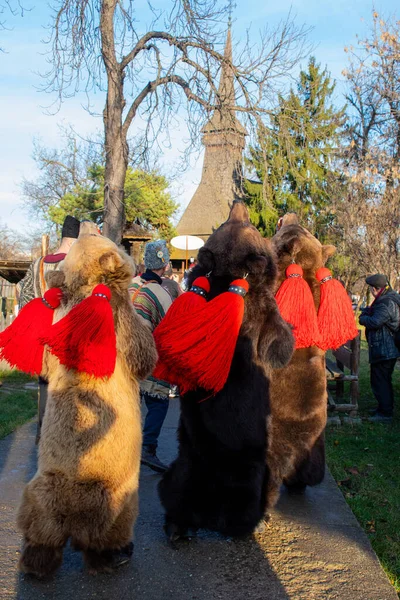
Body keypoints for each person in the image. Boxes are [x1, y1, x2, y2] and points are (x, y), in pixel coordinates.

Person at [17, 215, 81, 443]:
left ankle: (42, 434)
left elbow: (24, 298)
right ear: (74, 240)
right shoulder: (75, 266)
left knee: (44, 386)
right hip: (64, 340)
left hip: (39, 339)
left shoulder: (37, 265)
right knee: (67, 388)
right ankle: (62, 438)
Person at [130, 240, 173, 472]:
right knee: (158, 403)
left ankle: (126, 449)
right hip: (147, 359)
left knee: (129, 404)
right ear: (164, 265)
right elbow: (168, 330)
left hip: (122, 357)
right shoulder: (162, 295)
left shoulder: (129, 285)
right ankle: (148, 448)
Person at [359, 273, 400, 423]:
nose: (370, 291)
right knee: (380, 380)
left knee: (381, 380)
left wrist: (363, 319)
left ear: (376, 289)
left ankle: (385, 413)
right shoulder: (387, 299)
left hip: (385, 349)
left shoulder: (386, 302)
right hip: (384, 348)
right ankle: (382, 408)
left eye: (371, 288)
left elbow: (375, 321)